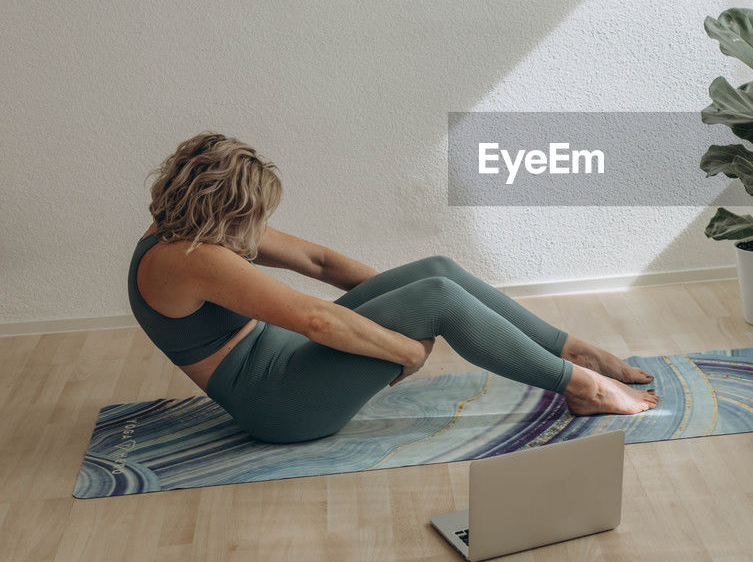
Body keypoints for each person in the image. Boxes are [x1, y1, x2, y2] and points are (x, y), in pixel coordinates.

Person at [129, 131, 657, 444]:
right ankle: (581, 388)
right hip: (281, 403)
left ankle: (575, 352)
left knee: (438, 271)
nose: (256, 228)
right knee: (440, 299)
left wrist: (405, 302)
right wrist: (408, 345)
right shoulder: (189, 257)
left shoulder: (194, 224)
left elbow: (319, 261)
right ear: (220, 207)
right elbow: (317, 320)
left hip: (287, 362)